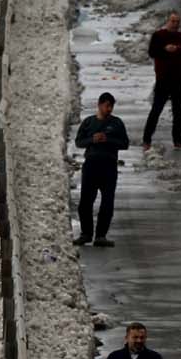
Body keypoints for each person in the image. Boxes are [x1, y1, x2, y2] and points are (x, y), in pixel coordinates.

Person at [69, 92, 129, 247]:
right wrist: (92, 139)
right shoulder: (89, 122)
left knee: (107, 202)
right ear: (100, 104)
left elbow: (124, 143)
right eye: (107, 106)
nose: (109, 109)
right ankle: (86, 233)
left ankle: (101, 235)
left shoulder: (116, 123)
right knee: (86, 202)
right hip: (91, 166)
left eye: (111, 106)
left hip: (109, 166)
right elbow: (79, 142)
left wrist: (108, 140)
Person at [142, 11, 181, 148]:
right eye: (173, 21)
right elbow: (152, 52)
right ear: (168, 21)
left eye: (177, 22)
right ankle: (147, 139)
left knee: (178, 113)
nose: (175, 24)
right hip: (163, 79)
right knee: (156, 110)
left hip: (178, 80)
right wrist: (165, 49)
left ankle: (177, 140)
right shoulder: (159, 36)